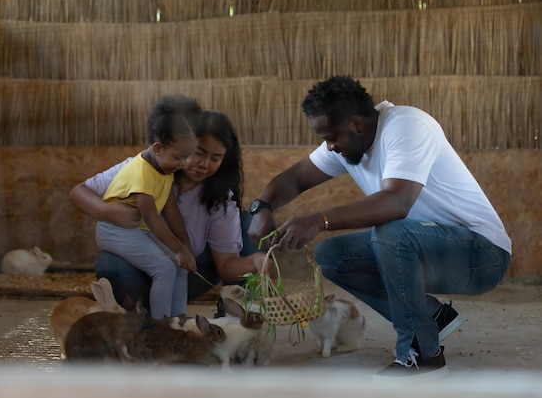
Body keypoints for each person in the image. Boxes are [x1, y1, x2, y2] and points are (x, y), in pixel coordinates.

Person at [247, 75, 511, 380]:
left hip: (482, 254)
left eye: (332, 137)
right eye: (324, 139)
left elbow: (396, 203)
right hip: (431, 248)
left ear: (357, 124)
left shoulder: (406, 126)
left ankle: (423, 356)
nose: (329, 147)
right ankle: (430, 318)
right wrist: (262, 206)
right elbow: (295, 178)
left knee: (392, 232)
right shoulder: (347, 144)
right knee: (333, 254)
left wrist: (319, 220)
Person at [70, 108, 269, 315]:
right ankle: (145, 320)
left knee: (248, 221)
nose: (204, 164)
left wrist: (254, 262)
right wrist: (106, 210)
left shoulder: (219, 197)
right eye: (198, 152)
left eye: (215, 159)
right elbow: (78, 192)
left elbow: (225, 264)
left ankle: (223, 312)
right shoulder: (143, 171)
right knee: (111, 263)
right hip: (140, 274)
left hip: (189, 272)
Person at [95, 94, 197, 319]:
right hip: (114, 230)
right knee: (165, 268)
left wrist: (184, 246)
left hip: (136, 229)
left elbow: (170, 209)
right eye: (179, 158)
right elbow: (152, 218)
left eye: (186, 158)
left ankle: (178, 319)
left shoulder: (164, 169)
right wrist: (179, 250)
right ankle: (160, 327)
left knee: (180, 265)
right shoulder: (141, 172)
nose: (183, 164)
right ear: (158, 148)